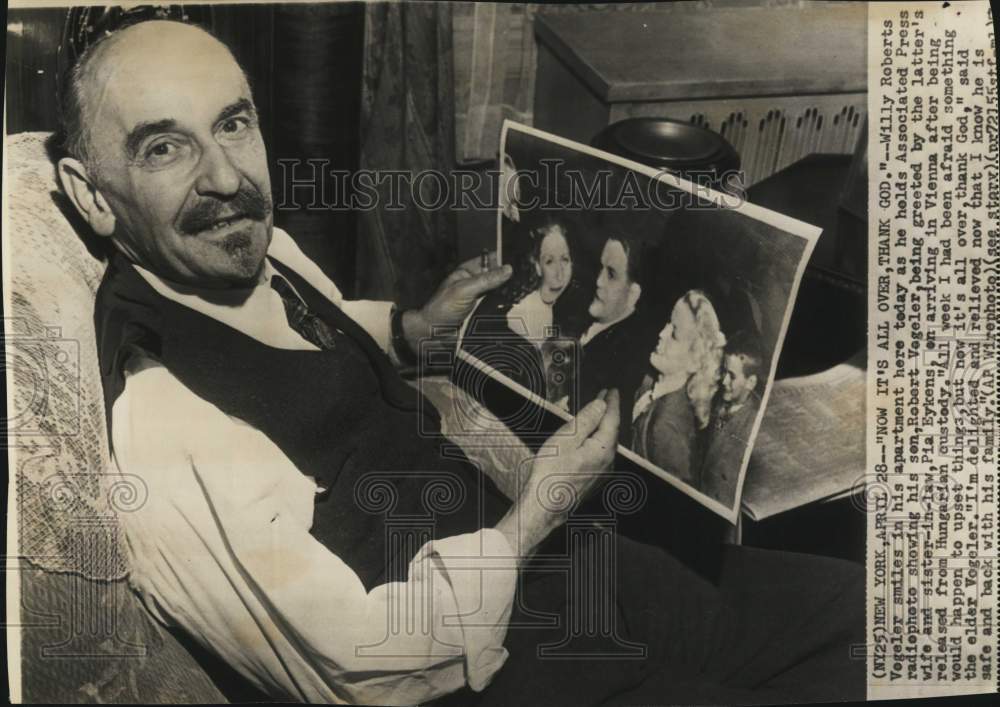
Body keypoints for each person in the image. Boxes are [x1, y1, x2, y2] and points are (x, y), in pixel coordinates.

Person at [54, 17, 864, 705]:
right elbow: (364, 664)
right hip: (492, 667)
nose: (228, 177)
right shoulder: (168, 427)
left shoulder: (251, 252)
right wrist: (539, 507)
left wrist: (411, 326)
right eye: (165, 148)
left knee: (872, 614)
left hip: (559, 565)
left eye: (233, 123)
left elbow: (311, 344)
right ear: (92, 194)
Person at [632, 291, 726, 486]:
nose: (661, 333)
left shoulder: (667, 425)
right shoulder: (653, 387)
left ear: (694, 359)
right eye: (668, 323)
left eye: (674, 333)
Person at [576, 234, 656, 444]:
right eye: (600, 268)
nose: (598, 281)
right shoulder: (581, 316)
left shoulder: (622, 362)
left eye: (611, 274)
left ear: (633, 295)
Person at [700, 331, 764, 507]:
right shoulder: (717, 401)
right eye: (724, 371)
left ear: (750, 383)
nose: (723, 381)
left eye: (732, 376)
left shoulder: (755, 423)